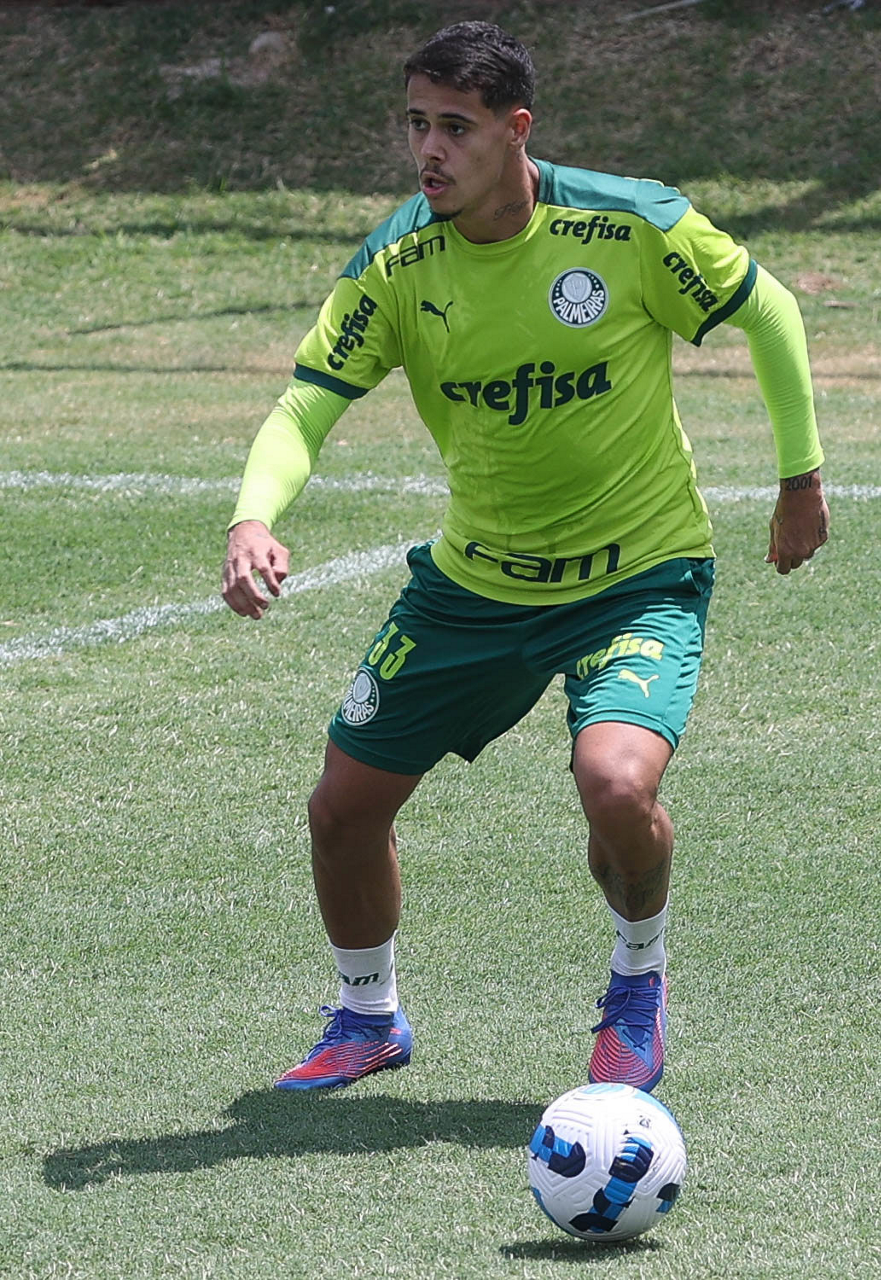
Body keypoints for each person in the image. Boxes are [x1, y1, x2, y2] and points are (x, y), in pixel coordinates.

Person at [221, 21, 829, 1093]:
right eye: (417, 124)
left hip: (637, 576)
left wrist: (800, 479)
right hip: (476, 586)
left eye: (455, 127)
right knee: (342, 807)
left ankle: (637, 985)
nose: (429, 149)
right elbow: (306, 404)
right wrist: (252, 516)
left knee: (615, 786)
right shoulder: (396, 263)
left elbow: (768, 310)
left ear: (516, 130)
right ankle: (368, 1017)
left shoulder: (628, 224)